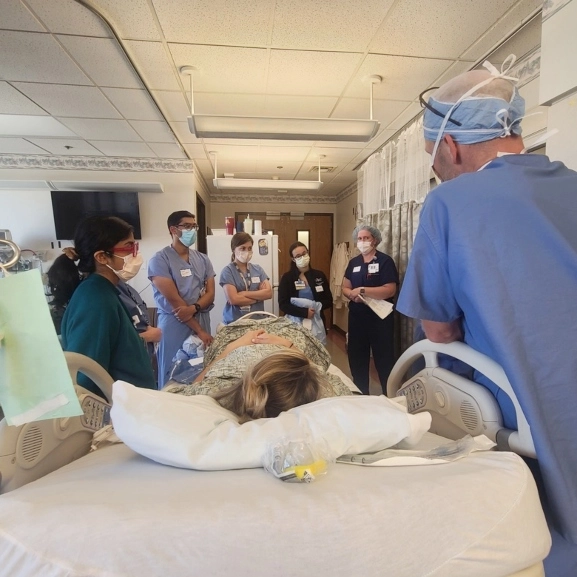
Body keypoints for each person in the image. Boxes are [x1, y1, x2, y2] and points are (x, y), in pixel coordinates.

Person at [395, 61, 577, 575]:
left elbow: (440, 330)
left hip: (524, 413)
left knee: (534, 535)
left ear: (449, 146)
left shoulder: (450, 203)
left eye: (434, 159)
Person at [47, 216, 156, 398]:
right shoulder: (95, 299)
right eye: (129, 247)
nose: (135, 254)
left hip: (133, 404)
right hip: (115, 412)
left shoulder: (106, 290)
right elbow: (86, 374)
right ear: (102, 257)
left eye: (135, 246)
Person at [163, 317, 353, 416]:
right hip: (290, 336)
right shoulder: (321, 389)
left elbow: (196, 385)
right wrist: (288, 345)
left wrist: (234, 345)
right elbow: (314, 367)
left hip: (237, 339)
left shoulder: (224, 389)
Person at [148, 210, 215, 388]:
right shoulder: (159, 260)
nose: (192, 230)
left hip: (200, 317)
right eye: (186, 226)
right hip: (174, 324)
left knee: (202, 371)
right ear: (173, 229)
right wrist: (199, 330)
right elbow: (176, 303)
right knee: (172, 374)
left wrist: (194, 308)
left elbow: (210, 294)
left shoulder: (203, 259)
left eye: (194, 226)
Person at [342, 225, 399, 395]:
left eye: (366, 238)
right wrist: (351, 295)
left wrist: (363, 290)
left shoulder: (384, 261)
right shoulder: (354, 263)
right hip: (357, 317)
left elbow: (390, 289)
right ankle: (361, 394)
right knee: (357, 357)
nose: (362, 241)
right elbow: (345, 287)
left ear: (375, 240)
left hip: (379, 318)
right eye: (359, 238)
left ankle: (389, 395)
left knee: (384, 358)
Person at [219, 232, 272, 324]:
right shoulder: (228, 271)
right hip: (236, 321)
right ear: (233, 249)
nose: (247, 252)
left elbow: (268, 293)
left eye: (249, 248)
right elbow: (234, 299)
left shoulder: (257, 269)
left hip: (258, 320)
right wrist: (259, 297)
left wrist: (243, 293)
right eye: (242, 248)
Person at [278, 241, 333, 329]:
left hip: (317, 320)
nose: (302, 257)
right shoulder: (287, 278)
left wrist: (315, 308)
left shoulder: (319, 275)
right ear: (293, 259)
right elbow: (283, 304)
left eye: (304, 253)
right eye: (298, 256)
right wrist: (304, 312)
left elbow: (329, 300)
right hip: (294, 322)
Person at [116, 279, 162, 360]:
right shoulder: (103, 295)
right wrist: (147, 337)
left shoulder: (126, 288)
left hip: (141, 356)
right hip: (125, 361)